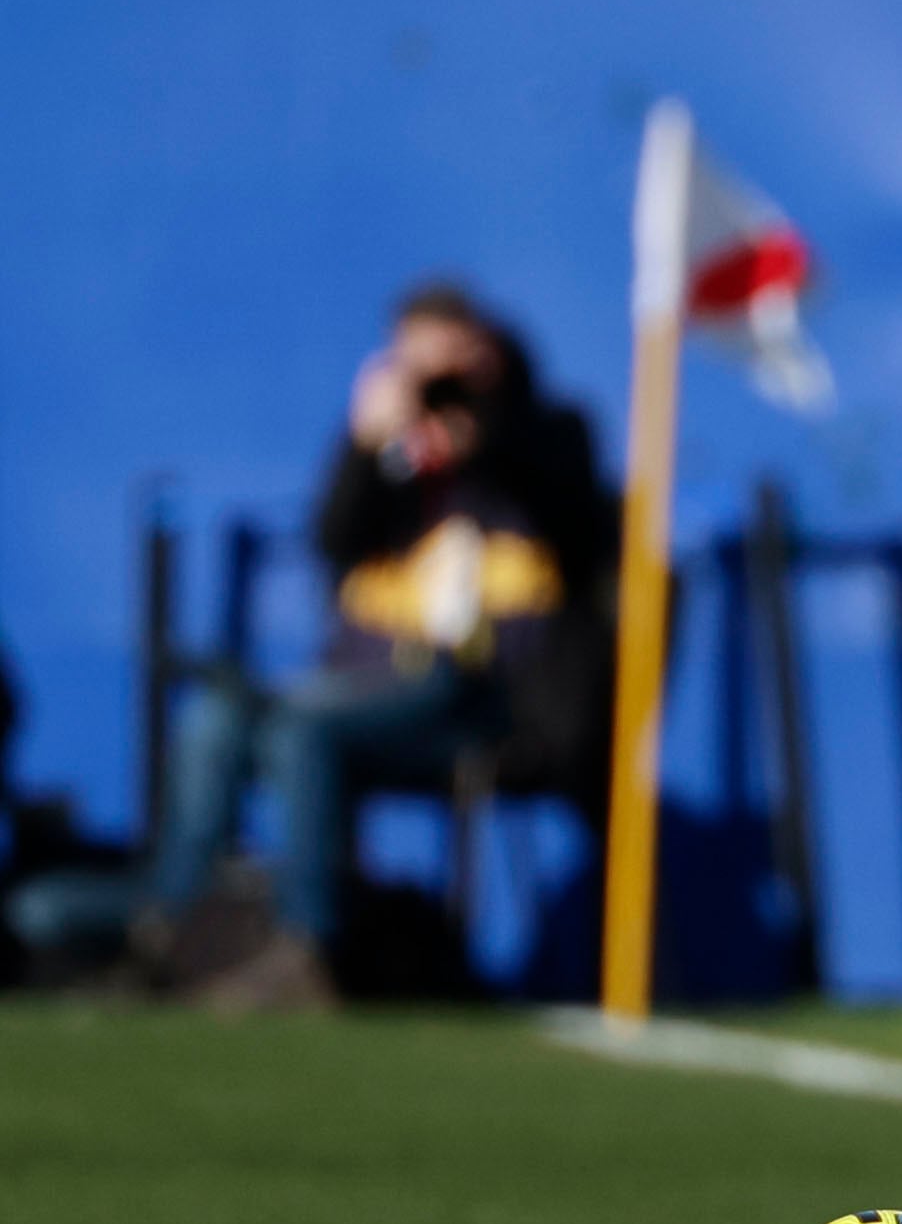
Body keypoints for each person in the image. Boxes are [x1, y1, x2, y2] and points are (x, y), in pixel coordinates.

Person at [140, 284, 617, 1007]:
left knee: (302, 729)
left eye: (453, 355)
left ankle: (313, 947)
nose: (436, 377)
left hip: (477, 693)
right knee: (217, 719)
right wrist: (368, 444)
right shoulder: (393, 447)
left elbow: (573, 511)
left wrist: (483, 423)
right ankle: (168, 934)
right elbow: (333, 539)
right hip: (362, 680)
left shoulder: (545, 429)